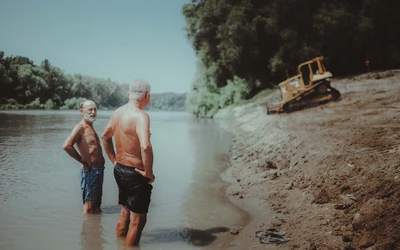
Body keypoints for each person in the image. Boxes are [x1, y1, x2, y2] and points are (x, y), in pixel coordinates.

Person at [101, 79, 155, 246]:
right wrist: (148, 172)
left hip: (120, 170)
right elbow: (145, 146)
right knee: (137, 222)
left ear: (129, 94)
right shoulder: (141, 116)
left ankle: (119, 245)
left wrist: (114, 160)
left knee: (124, 212)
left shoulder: (117, 112)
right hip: (136, 174)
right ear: (147, 95)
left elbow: (105, 136)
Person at [63, 100, 105, 214]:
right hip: (90, 171)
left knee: (96, 206)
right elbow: (67, 146)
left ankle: (96, 230)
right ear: (81, 111)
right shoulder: (80, 127)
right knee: (89, 207)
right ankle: (87, 230)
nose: (93, 112)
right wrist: (83, 162)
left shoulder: (90, 127)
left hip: (98, 171)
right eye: (90, 109)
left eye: (95, 109)